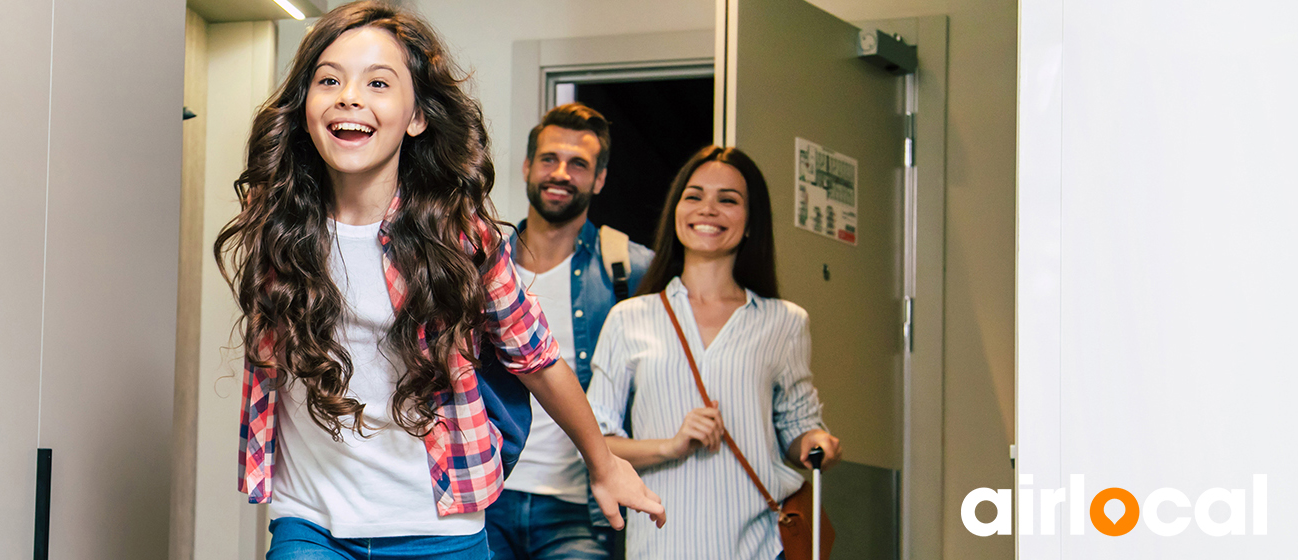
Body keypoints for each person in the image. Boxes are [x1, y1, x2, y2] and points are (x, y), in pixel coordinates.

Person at [215, 3, 666, 559]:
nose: (350, 95)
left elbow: (537, 358)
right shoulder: (278, 226)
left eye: (378, 82)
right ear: (306, 105)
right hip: (312, 520)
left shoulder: (458, 239)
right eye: (329, 79)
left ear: (418, 116)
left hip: (438, 527)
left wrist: (603, 463)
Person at [585, 146, 842, 559]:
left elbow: (800, 427)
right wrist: (671, 445)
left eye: (728, 199)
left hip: (759, 546)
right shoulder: (629, 318)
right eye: (694, 196)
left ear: (751, 221)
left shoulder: (784, 322)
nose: (708, 209)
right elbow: (596, 441)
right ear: (676, 211)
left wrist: (817, 443)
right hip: (660, 546)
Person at [486, 103, 653, 560]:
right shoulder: (480, 262)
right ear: (526, 167)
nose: (561, 172)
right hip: (486, 495)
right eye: (548, 159)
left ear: (599, 179)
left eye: (578, 163)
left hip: (579, 508)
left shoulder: (630, 269)